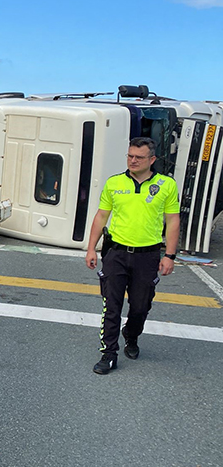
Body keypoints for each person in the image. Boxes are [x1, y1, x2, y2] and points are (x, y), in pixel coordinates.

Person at [84, 137, 180, 375]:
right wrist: (91, 248)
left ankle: (132, 334)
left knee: (140, 306)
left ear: (152, 159)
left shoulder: (166, 185)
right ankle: (108, 354)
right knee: (112, 306)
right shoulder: (114, 183)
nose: (133, 160)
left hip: (147, 256)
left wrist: (169, 255)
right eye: (130, 156)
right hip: (116, 253)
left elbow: (172, 220)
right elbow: (101, 216)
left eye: (139, 157)